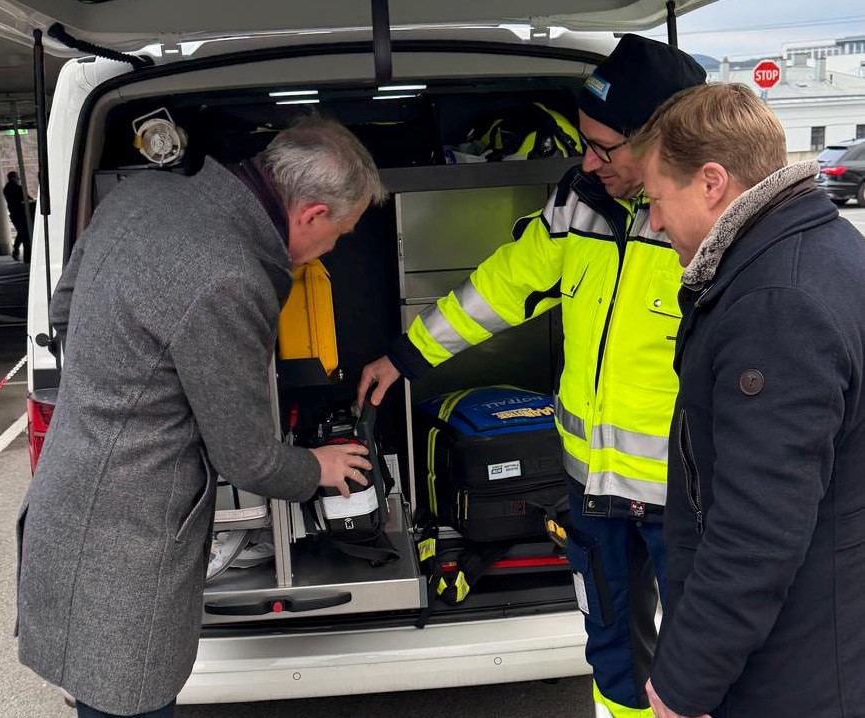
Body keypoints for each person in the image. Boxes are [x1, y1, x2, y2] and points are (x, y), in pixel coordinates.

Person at [357, 35, 705, 718]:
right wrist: (405, 357)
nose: (585, 160)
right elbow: (503, 286)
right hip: (592, 490)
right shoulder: (577, 204)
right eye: (583, 141)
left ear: (660, 137)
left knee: (705, 660)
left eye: (602, 147)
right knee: (611, 651)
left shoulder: (708, 221)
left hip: (688, 499)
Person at [16, 117, 386, 718]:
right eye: (340, 232)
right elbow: (245, 457)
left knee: (98, 694)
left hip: (70, 489)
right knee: (128, 700)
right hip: (125, 541)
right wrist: (317, 466)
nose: (335, 246)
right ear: (312, 214)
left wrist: (123, 386)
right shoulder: (228, 276)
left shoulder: (144, 192)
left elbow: (65, 309)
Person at [632, 83, 865, 718]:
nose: (652, 221)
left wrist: (684, 684)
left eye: (655, 199)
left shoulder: (776, 304)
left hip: (792, 671)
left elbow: (756, 530)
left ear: (711, 182)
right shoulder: (829, 247)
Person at [3, 170, 33, 262]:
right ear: (13, 178)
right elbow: (28, 199)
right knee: (25, 234)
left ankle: (16, 250)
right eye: (17, 177)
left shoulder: (6, 189)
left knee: (21, 232)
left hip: (13, 214)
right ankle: (26, 256)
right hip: (22, 214)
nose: (18, 179)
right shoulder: (18, 188)